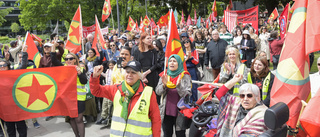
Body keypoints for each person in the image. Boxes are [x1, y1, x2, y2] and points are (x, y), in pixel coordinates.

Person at [90, 61, 161, 137]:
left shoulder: (148, 92)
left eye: (133, 72)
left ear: (140, 75)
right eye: (127, 72)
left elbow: (156, 119)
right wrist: (95, 77)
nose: (129, 75)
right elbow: (96, 91)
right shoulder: (116, 89)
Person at [156, 55, 192, 137]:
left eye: (174, 61)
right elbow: (158, 92)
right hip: (166, 112)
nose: (172, 63)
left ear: (179, 63)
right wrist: (164, 86)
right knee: (167, 134)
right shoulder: (164, 75)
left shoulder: (185, 76)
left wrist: (179, 86)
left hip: (180, 112)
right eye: (170, 61)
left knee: (180, 134)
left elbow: (187, 95)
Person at [0, 44, 28, 137]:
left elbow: (23, 65)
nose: (2, 67)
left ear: (8, 66)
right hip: (5, 109)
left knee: (21, 128)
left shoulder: (13, 74)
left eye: (4, 65)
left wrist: (24, 52)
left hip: (17, 106)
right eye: (0, 66)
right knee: (10, 130)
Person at [64, 53, 87, 137]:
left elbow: (84, 81)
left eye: (70, 58)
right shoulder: (62, 70)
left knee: (79, 119)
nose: (68, 60)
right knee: (72, 119)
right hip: (68, 98)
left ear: (75, 59)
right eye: (66, 59)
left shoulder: (80, 68)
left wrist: (79, 73)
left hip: (79, 98)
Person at [132, 32, 159, 103]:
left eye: (150, 38)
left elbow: (155, 64)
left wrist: (146, 73)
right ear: (143, 40)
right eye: (148, 38)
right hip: (140, 75)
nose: (150, 40)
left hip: (151, 74)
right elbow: (136, 64)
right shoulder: (137, 50)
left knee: (152, 96)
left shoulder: (153, 51)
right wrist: (142, 76)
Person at [96, 60, 116, 125]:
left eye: (112, 65)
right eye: (110, 65)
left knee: (110, 104)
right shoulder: (108, 71)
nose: (111, 66)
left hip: (112, 88)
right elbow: (105, 76)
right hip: (107, 87)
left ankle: (109, 118)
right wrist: (99, 72)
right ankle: (103, 116)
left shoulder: (117, 71)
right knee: (105, 103)